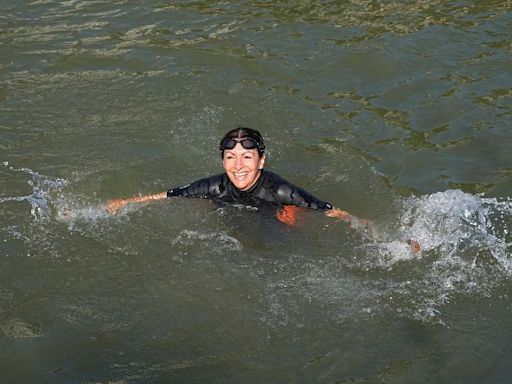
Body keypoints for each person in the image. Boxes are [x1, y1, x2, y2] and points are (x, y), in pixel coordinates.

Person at [106, 127, 357, 227]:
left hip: (271, 215)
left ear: (261, 161)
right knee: (197, 204)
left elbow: (330, 210)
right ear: (222, 160)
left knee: (290, 218)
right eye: (230, 157)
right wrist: (122, 203)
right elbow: (167, 195)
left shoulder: (280, 190)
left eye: (247, 157)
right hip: (229, 210)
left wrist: (365, 227)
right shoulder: (215, 185)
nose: (238, 166)